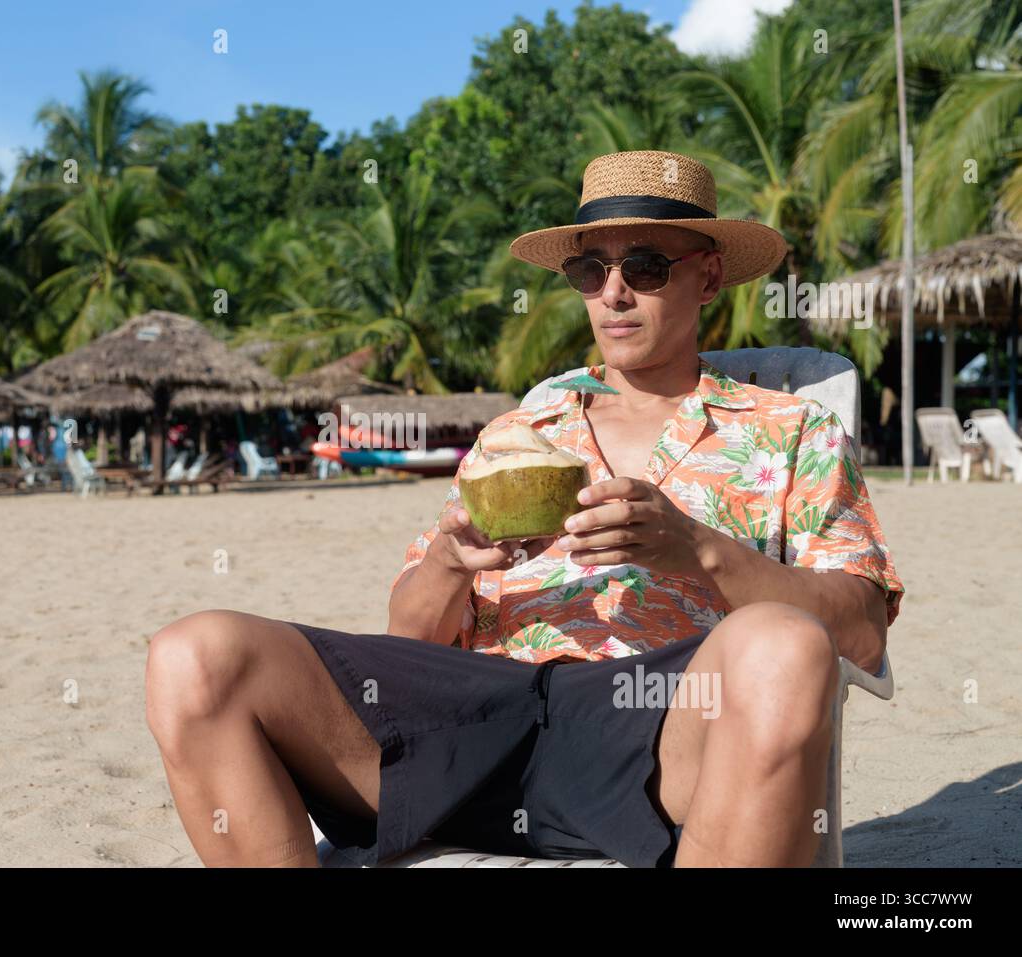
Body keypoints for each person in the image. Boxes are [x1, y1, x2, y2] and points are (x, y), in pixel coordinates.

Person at [144, 150, 906, 868]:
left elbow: (859, 631)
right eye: (590, 268)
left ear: (708, 278)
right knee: (193, 658)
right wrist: (449, 560)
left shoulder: (792, 429)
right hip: (478, 725)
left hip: (660, 728)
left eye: (644, 265)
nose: (613, 292)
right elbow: (408, 639)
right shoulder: (519, 433)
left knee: (784, 647)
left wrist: (698, 549)